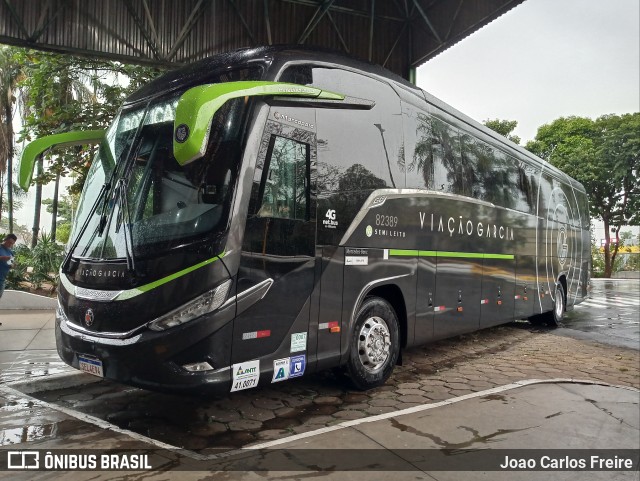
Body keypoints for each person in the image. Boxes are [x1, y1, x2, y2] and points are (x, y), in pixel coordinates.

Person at [0, 234, 17, 316]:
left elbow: (11, 264)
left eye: (12, 244)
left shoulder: (10, 252)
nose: (10, 245)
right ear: (5, 239)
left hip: (2, 279)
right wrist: (2, 258)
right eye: (9, 242)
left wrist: (13, 265)